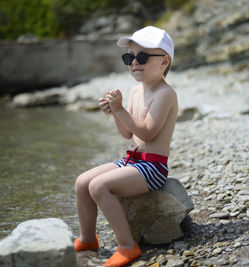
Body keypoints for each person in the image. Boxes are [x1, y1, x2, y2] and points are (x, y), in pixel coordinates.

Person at [74, 26, 178, 267]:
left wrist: (121, 110)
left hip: (153, 167)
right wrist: (115, 114)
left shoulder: (165, 94)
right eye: (129, 57)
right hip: (132, 161)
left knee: (100, 186)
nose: (134, 63)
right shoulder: (134, 91)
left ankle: (128, 246)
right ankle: (88, 239)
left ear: (164, 61)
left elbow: (148, 132)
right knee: (82, 182)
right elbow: (128, 133)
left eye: (141, 57)